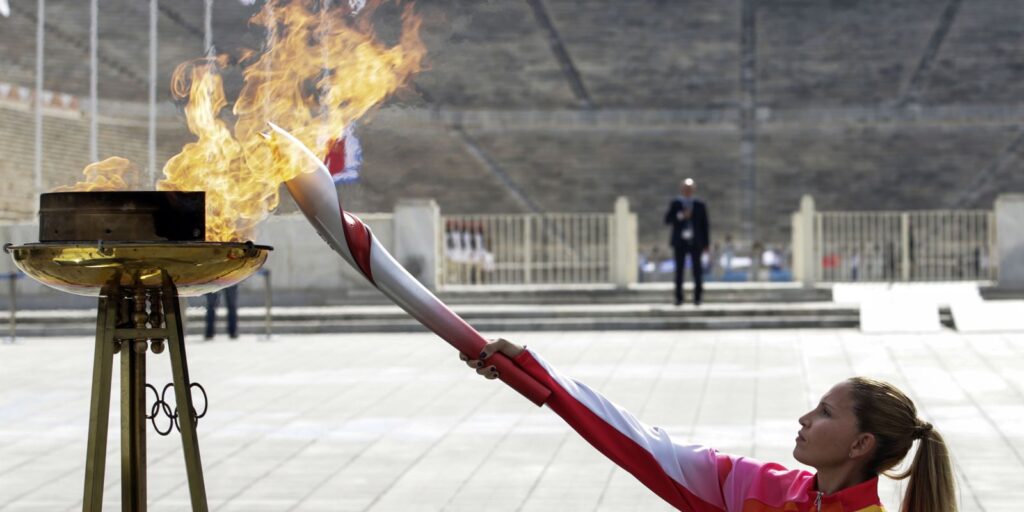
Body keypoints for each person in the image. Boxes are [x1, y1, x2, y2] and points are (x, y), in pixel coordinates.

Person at [462, 339, 957, 512]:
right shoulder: (759, 490)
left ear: (861, 444)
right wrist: (531, 373)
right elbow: (639, 444)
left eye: (826, 413)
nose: (804, 419)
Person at [664, 178, 710, 305]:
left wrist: (706, 244)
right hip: (680, 242)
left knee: (697, 270)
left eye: (690, 189)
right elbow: (667, 220)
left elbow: (705, 225)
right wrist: (681, 216)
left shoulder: (700, 204)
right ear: (681, 189)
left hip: (696, 242)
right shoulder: (676, 203)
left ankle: (698, 298)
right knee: (679, 270)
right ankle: (679, 298)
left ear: (693, 190)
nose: (688, 191)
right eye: (685, 189)